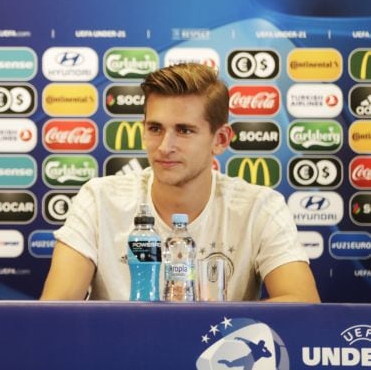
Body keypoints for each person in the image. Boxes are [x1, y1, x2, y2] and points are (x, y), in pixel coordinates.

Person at [40, 62, 320, 302]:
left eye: (184, 131)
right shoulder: (98, 199)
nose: (164, 146)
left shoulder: (260, 207)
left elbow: (303, 304)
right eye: (155, 129)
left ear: (220, 140)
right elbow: (55, 309)